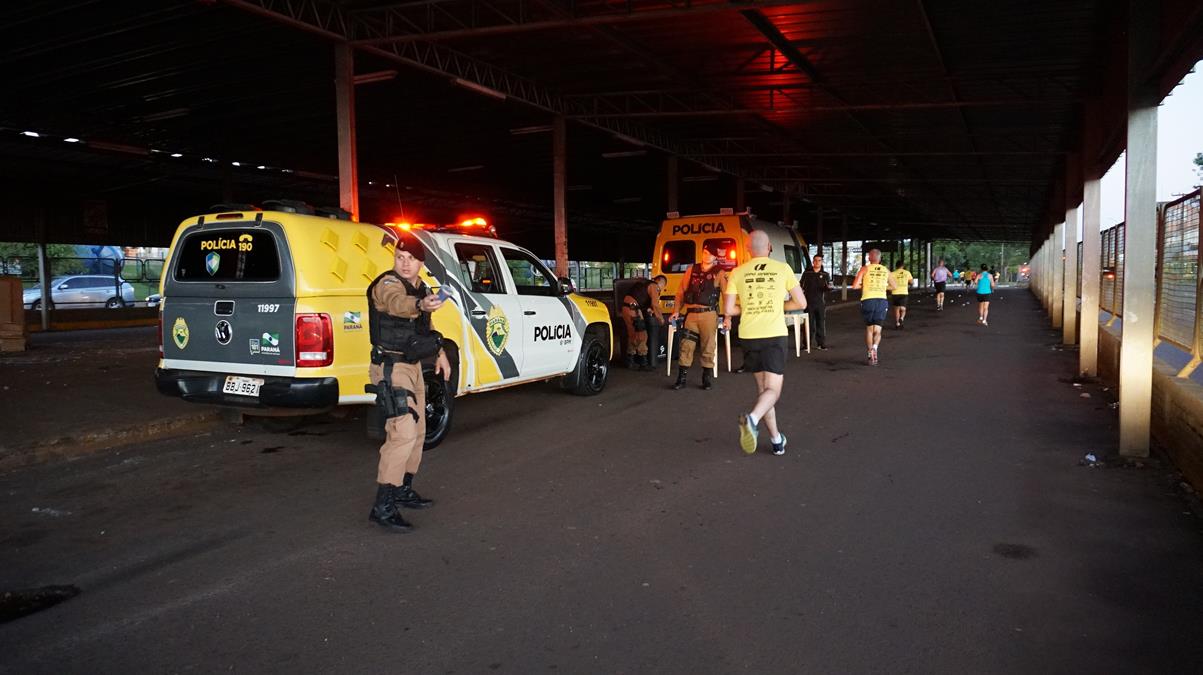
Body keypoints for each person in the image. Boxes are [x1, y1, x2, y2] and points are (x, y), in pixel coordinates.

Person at [366, 233, 453, 532]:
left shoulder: (422, 288)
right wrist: (420, 304)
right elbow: (396, 304)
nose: (404, 263)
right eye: (400, 257)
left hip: (413, 366)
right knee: (402, 433)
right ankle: (383, 506)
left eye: (411, 259)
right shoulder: (388, 284)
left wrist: (440, 354)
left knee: (418, 432)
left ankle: (403, 489)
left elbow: (425, 326)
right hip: (391, 367)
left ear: (421, 263)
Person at [723, 230, 807, 456]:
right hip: (773, 335)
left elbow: (729, 309)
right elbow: (801, 302)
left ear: (747, 249)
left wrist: (748, 308)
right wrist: (779, 306)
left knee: (763, 391)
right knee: (773, 391)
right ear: (769, 247)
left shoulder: (737, 272)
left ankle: (777, 440)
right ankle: (752, 419)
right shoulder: (783, 269)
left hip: (749, 336)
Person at [670, 249, 727, 390]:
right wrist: (676, 310)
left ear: (715, 257)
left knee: (708, 346)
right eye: (705, 253)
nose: (707, 256)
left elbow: (727, 296)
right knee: (686, 345)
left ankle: (706, 377)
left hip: (709, 314)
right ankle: (681, 378)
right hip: (691, 315)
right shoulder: (691, 270)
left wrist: (728, 317)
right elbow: (681, 292)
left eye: (710, 254)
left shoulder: (720, 273)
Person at [852, 249, 897, 366]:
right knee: (877, 330)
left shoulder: (865, 269)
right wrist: (882, 287)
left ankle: (869, 353)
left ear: (869, 258)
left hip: (868, 300)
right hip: (881, 301)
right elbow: (894, 286)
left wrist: (865, 285)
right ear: (880, 258)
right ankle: (875, 348)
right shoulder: (886, 270)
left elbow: (855, 286)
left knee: (869, 329)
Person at [621, 275, 666, 371]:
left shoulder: (643, 284)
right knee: (642, 335)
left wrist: (648, 309)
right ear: (661, 282)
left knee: (632, 335)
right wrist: (661, 319)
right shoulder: (654, 286)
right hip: (634, 310)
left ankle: (629, 360)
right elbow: (655, 304)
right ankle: (643, 363)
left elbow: (641, 299)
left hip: (625, 308)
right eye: (663, 287)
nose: (660, 290)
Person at [800, 253, 832, 349]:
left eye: (819, 260)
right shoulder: (807, 273)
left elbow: (829, 287)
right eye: (815, 260)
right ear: (813, 261)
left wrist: (829, 287)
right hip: (808, 303)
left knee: (820, 324)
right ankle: (806, 345)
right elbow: (801, 286)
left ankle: (821, 344)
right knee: (808, 325)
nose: (817, 262)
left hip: (820, 303)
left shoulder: (825, 275)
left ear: (822, 262)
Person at [889, 260, 914, 329]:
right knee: (903, 308)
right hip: (904, 293)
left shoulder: (892, 273)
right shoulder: (907, 273)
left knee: (896, 309)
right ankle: (902, 318)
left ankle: (897, 323)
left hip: (895, 293)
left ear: (896, 266)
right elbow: (912, 282)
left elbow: (889, 283)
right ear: (903, 266)